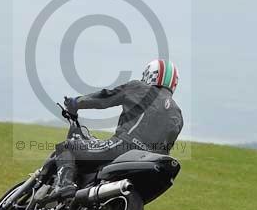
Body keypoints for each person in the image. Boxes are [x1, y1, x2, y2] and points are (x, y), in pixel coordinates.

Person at [48, 59, 184, 199]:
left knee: (67, 147)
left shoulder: (138, 87)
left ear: (150, 75)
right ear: (174, 84)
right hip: (150, 163)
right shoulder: (178, 114)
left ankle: (64, 186)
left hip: (121, 147)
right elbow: (166, 148)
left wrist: (75, 103)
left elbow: (104, 98)